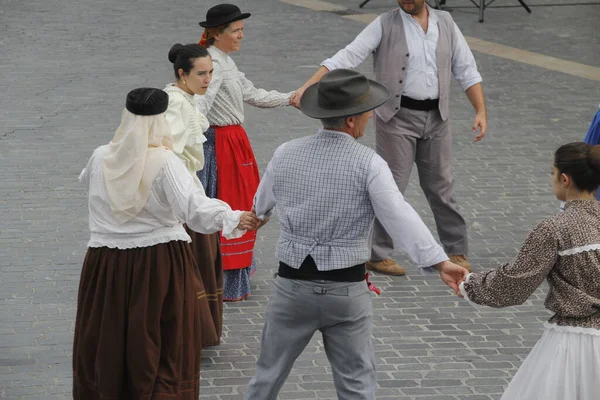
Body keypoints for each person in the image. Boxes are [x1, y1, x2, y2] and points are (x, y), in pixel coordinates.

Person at [244, 69, 469, 400]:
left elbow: (261, 205)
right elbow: (399, 216)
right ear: (351, 121)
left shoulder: (286, 152)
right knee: (356, 385)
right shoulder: (368, 163)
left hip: (291, 289)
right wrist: (439, 262)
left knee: (266, 377)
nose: (370, 117)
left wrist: (259, 215)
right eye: (366, 112)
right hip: (345, 292)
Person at [72, 88, 259, 399]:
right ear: (162, 120)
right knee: (161, 339)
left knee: (108, 336)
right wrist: (236, 217)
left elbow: (88, 181)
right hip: (158, 263)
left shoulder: (101, 156)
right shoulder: (165, 162)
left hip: (105, 264)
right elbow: (195, 210)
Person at [292, 0, 487, 276]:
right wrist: (308, 85)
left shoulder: (446, 23)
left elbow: (467, 69)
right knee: (390, 186)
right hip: (396, 117)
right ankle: (378, 254)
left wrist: (480, 110)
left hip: (437, 117)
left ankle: (456, 249)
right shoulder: (384, 23)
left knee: (442, 186)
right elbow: (348, 56)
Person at [459, 142, 600, 400]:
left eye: (552, 172)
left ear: (565, 179)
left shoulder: (554, 229)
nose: (551, 178)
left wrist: (469, 284)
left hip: (575, 345)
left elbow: (513, 285)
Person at [197, 3, 294, 301]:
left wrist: (291, 98)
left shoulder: (224, 61)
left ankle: (231, 270)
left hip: (233, 140)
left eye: (241, 31)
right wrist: (192, 137)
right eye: (236, 31)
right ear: (216, 33)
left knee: (242, 200)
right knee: (232, 201)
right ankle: (224, 276)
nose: (241, 36)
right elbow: (200, 103)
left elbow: (251, 93)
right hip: (220, 143)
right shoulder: (211, 65)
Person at [163, 43, 223, 348]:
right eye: (201, 73)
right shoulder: (176, 103)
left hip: (191, 188)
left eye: (211, 72)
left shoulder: (187, 98)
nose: (208, 79)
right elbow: (167, 154)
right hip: (182, 194)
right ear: (182, 73)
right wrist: (186, 198)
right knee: (190, 265)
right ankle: (184, 334)